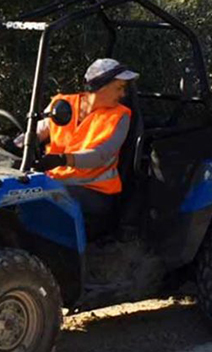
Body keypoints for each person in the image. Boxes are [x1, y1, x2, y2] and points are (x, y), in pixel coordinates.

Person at [30, 58, 139, 237]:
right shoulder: (63, 104)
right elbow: (39, 129)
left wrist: (62, 159)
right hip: (54, 181)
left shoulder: (120, 116)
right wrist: (13, 143)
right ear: (100, 86)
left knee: (39, 200)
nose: (123, 94)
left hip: (95, 192)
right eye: (118, 88)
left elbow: (100, 155)